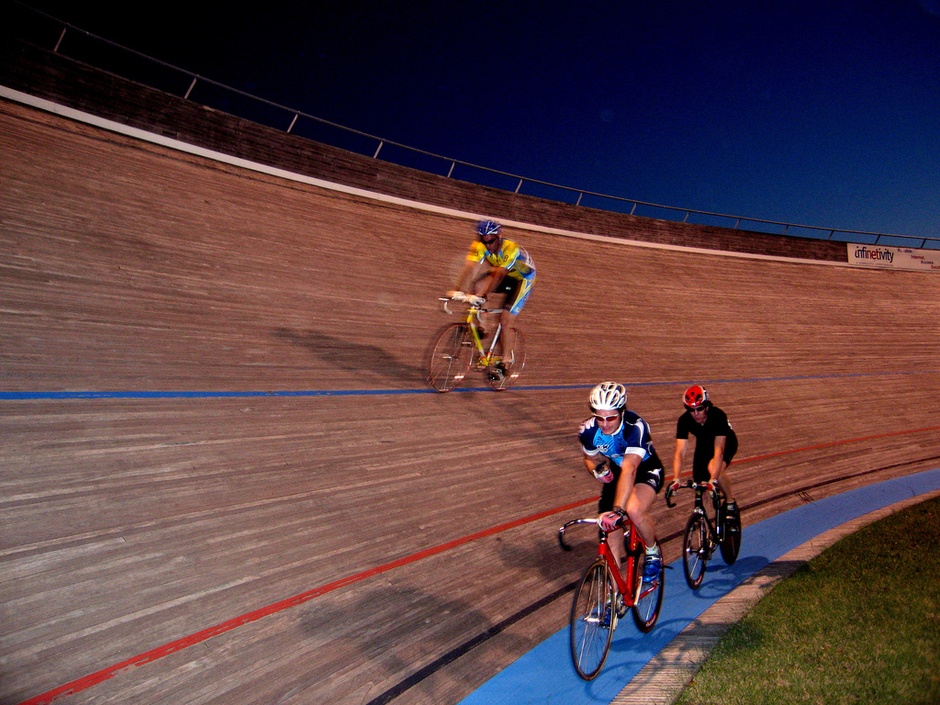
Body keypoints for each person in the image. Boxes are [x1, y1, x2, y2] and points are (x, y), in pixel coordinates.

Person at [577, 382, 665, 584]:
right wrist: (597, 470)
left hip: (645, 469)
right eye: (600, 417)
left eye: (611, 417)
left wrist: (618, 509)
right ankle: (614, 596)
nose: (605, 423)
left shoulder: (635, 427)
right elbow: (589, 458)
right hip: (618, 472)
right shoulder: (589, 431)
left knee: (633, 510)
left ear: (621, 412)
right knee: (609, 535)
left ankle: (652, 552)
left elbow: (630, 468)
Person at [445, 220, 535, 376]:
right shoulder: (479, 246)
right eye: (484, 242)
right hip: (503, 274)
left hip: (522, 279)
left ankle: (506, 362)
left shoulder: (511, 249)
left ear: (499, 236)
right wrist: (456, 290)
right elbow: (469, 267)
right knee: (477, 285)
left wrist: (485, 296)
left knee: (506, 320)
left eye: (491, 241)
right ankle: (483, 327)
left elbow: (499, 275)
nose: (488, 246)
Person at [670, 384, 739, 518]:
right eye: (691, 410)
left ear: (706, 406)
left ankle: (730, 502)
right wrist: (676, 478)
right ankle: (703, 524)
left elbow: (719, 450)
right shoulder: (684, 420)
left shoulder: (718, 416)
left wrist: (713, 479)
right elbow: (680, 452)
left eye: (699, 409)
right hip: (704, 443)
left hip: (726, 441)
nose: (696, 414)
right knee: (700, 487)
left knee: (714, 469)